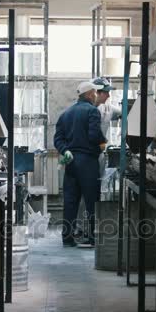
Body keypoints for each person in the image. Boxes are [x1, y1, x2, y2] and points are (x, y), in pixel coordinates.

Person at [54, 81, 107, 247]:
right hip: (87, 162)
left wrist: (65, 150)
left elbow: (58, 139)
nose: (97, 95)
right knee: (91, 200)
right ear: (91, 94)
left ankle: (68, 238)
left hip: (70, 162)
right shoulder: (92, 111)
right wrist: (102, 143)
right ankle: (92, 237)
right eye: (96, 93)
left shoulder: (66, 114)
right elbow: (94, 135)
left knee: (70, 201)